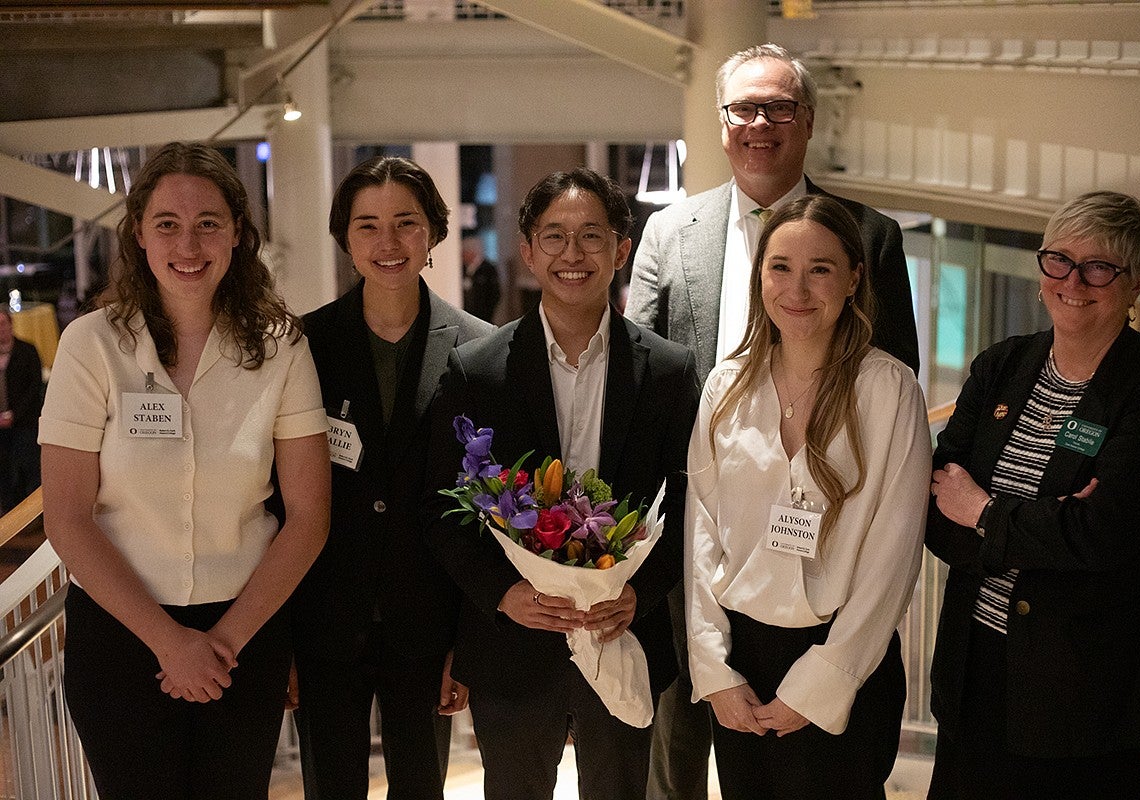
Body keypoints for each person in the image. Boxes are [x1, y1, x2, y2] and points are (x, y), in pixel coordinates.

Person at [624, 42, 921, 800]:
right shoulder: (676, 248)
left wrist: (823, 678)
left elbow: (891, 538)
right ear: (722, 124)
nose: (760, 122)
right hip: (721, 614)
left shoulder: (874, 253)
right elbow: (648, 405)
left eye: (779, 107)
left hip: (836, 629)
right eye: (744, 108)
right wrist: (710, 659)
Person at [37, 141, 331, 800]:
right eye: (167, 223)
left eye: (208, 224)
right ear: (139, 234)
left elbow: (308, 518)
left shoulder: (282, 347)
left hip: (243, 637)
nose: (188, 243)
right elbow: (67, 517)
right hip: (120, 639)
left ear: (236, 235)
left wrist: (219, 643)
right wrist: (171, 644)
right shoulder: (92, 346)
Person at [424, 168, 700, 800]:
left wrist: (641, 594)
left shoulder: (668, 372)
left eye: (591, 236)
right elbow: (443, 510)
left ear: (621, 250)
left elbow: (691, 509)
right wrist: (503, 593)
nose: (572, 255)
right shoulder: (477, 370)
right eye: (554, 236)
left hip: (621, 634)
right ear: (527, 251)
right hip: (514, 648)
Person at [925, 191, 1140, 799]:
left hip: (1081, 704)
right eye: (1059, 260)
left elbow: (1108, 537)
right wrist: (1049, 527)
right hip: (974, 681)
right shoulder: (1001, 367)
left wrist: (985, 511)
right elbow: (936, 513)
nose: (1074, 281)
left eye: (1099, 266)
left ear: (1137, 282)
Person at [686, 194, 929, 799]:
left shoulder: (889, 391)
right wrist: (713, 667)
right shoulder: (726, 386)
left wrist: (825, 680)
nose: (798, 288)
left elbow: (893, 555)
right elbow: (700, 535)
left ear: (854, 279)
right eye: (780, 267)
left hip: (846, 660)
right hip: (742, 666)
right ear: (759, 276)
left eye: (820, 268)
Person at [291, 155, 489, 800]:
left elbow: (485, 510)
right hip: (324, 616)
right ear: (345, 239)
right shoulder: (301, 345)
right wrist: (280, 637)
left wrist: (470, 635)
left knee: (423, 787)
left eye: (405, 223)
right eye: (368, 225)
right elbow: (275, 497)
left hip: (428, 620)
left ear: (433, 232)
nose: (388, 243)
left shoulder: (479, 350)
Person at [0, 308, 43, 513]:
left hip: (24, 422)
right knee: (4, 471)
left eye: (2, 324)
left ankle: (32, 517)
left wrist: (14, 414)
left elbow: (34, 388)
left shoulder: (27, 351)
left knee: (28, 468)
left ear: (10, 325)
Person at [462, 234, 501, 323]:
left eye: (464, 252)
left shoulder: (488, 269)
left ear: (472, 252)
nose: (462, 256)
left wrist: (488, 312)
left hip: (484, 316)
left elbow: (495, 293)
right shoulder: (462, 268)